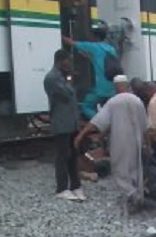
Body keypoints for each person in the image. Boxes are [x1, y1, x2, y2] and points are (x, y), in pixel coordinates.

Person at [74, 75, 149, 211]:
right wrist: (148, 145)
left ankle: (133, 195)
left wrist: (80, 135)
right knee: (135, 167)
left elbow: (96, 122)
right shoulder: (137, 101)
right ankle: (137, 194)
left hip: (120, 141)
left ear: (116, 86)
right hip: (137, 140)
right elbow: (146, 126)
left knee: (119, 168)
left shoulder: (113, 102)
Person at [43, 49, 85, 201]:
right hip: (61, 122)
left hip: (71, 122)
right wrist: (69, 80)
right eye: (69, 60)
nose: (70, 64)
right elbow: (67, 94)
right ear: (61, 60)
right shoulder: (52, 78)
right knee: (62, 155)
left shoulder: (61, 76)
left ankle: (75, 185)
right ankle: (61, 188)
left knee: (73, 154)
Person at [63, 23, 119, 120]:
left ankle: (101, 122)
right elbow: (101, 61)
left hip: (101, 89)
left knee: (86, 106)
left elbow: (72, 43)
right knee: (107, 107)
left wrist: (60, 36)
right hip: (112, 87)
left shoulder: (94, 47)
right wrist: (88, 57)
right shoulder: (111, 49)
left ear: (95, 37)